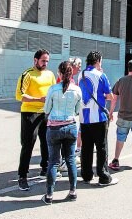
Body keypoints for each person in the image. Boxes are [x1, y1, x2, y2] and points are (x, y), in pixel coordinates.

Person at [41, 61, 83, 204]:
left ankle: (49, 195)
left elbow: (46, 110)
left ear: (59, 73)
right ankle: (72, 192)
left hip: (54, 127)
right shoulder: (77, 90)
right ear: (71, 74)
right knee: (70, 159)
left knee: (53, 162)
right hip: (71, 126)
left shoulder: (53, 89)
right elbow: (78, 110)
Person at [15, 49, 55, 191]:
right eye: (43, 60)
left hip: (45, 113)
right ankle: (22, 176)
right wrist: (39, 99)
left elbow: (53, 91)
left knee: (46, 142)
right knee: (28, 145)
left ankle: (45, 168)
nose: (45, 63)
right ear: (35, 60)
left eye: (47, 61)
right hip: (29, 113)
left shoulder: (50, 75)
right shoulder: (27, 74)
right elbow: (19, 96)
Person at [79, 51, 117, 186]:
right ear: (98, 61)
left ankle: (87, 174)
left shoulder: (81, 74)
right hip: (98, 116)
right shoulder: (101, 75)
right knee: (101, 147)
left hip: (84, 117)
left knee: (86, 147)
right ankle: (103, 176)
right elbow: (110, 95)